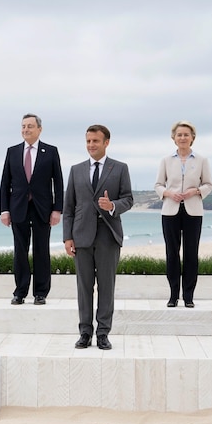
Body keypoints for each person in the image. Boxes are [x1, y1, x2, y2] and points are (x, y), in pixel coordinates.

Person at [63, 124, 133, 350]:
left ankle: (103, 333)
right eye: (88, 141)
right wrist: (67, 237)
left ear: (106, 143)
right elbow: (69, 207)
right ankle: (85, 332)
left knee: (106, 286)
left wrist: (112, 205)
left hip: (108, 235)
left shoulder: (120, 168)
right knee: (83, 287)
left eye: (95, 141)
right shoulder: (76, 170)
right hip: (81, 236)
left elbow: (129, 199)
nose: (91, 145)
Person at [0, 113, 63, 306]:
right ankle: (20, 292)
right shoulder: (12, 151)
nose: (26, 129)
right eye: (23, 126)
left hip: (43, 209)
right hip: (18, 208)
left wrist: (57, 209)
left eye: (30, 126)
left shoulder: (50, 152)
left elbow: (58, 182)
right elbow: (5, 183)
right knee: (20, 251)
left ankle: (41, 293)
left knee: (41, 251)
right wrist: (4, 210)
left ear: (39, 129)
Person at [153, 121, 212, 308]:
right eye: (179, 135)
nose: (182, 138)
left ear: (192, 137)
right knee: (172, 253)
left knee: (191, 253)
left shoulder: (201, 160)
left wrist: (195, 191)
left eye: (186, 134)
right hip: (170, 210)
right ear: (174, 138)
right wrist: (168, 193)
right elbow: (158, 185)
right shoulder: (166, 160)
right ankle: (173, 295)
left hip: (193, 211)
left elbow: (208, 185)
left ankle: (188, 296)